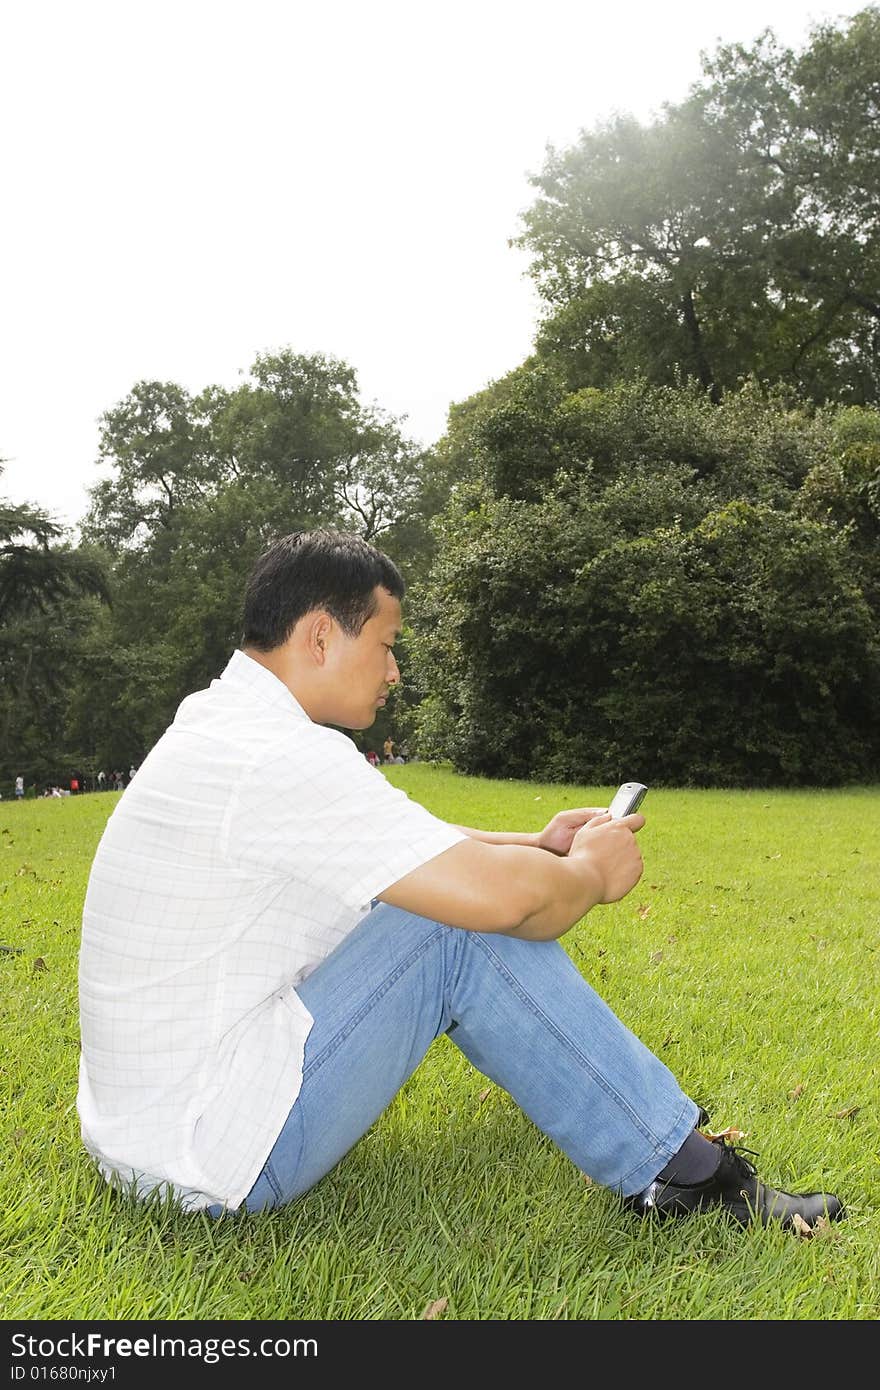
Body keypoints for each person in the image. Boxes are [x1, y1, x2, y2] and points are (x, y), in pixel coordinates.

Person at [77, 529, 844, 1231]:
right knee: (458, 928)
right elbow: (502, 903)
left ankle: (656, 1146)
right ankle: (686, 1178)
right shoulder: (276, 757)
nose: (395, 670)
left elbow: (401, 845)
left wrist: (539, 844)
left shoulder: (228, 726)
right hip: (209, 1155)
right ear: (319, 635)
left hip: (145, 1136)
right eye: (384, 644)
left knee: (452, 909)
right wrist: (586, 876)